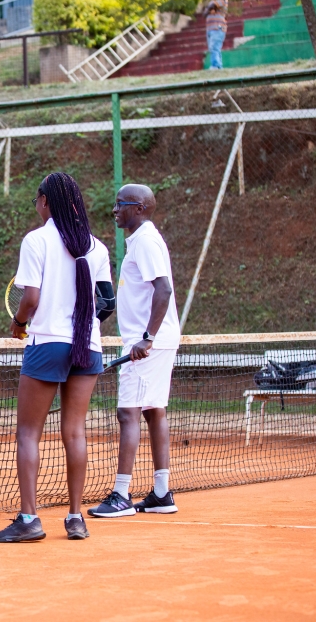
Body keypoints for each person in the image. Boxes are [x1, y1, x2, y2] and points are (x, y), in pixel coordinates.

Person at [0, 172, 113, 543]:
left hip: (47, 344)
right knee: (75, 432)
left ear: (45, 201)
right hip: (88, 346)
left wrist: (18, 324)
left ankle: (29, 519)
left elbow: (30, 299)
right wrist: (82, 325)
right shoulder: (97, 247)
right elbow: (107, 303)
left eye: (37, 201)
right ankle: (75, 518)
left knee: (29, 432)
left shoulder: (37, 240)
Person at [88, 184, 180, 519]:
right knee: (154, 412)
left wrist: (147, 337)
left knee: (128, 413)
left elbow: (163, 290)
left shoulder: (145, 242)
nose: (114, 210)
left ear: (139, 208)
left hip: (148, 343)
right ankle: (161, 493)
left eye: (120, 204)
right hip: (154, 340)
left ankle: (121, 495)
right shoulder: (141, 240)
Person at [205, 0, 228, 70]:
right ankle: (219, 66)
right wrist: (208, 9)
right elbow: (204, 13)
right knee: (214, 48)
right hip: (210, 28)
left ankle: (215, 65)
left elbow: (211, 6)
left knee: (214, 47)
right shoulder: (210, 0)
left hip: (218, 27)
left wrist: (208, 8)